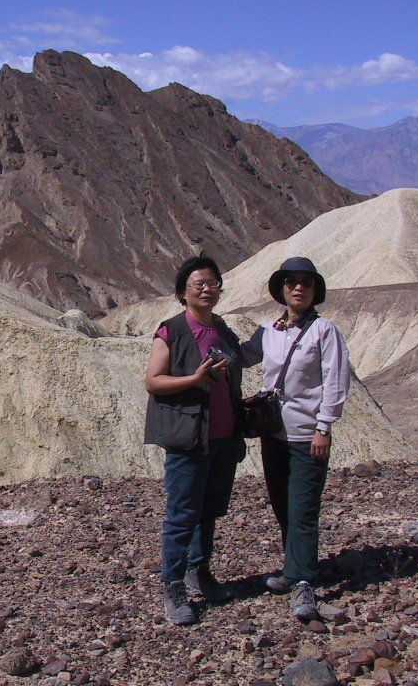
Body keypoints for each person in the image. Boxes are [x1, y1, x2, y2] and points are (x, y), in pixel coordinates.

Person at [239, 257, 350, 621]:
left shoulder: (324, 331)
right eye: (291, 281)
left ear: (315, 289)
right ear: (281, 289)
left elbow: (335, 380)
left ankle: (303, 581)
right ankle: (293, 569)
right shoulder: (268, 332)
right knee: (282, 505)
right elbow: (243, 356)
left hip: (307, 436)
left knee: (303, 509)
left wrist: (324, 427)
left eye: (306, 282)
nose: (298, 287)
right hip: (273, 433)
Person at [144, 255, 246, 625]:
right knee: (182, 514)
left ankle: (198, 572)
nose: (207, 289)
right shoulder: (170, 331)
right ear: (183, 292)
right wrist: (195, 379)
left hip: (222, 436)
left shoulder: (222, 329)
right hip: (188, 438)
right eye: (198, 284)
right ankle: (173, 585)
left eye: (213, 283)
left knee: (209, 511)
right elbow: (153, 381)